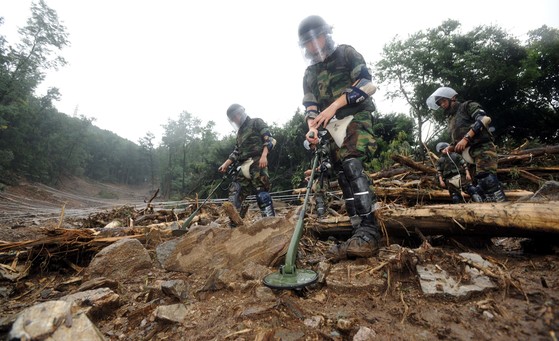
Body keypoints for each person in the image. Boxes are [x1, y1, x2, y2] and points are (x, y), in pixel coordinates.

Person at [298, 15, 381, 261]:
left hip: (356, 115)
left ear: (326, 34)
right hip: (330, 126)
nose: (313, 46)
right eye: (308, 44)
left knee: (352, 163)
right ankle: (357, 228)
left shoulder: (346, 53)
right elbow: (311, 106)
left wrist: (334, 105)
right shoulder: (310, 73)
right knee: (342, 173)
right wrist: (311, 127)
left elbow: (367, 84)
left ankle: (370, 230)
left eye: (316, 39)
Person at [426, 87, 507, 202]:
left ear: (452, 98)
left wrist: (466, 138)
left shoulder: (467, 106)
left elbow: (484, 119)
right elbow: (458, 141)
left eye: (443, 101)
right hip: (467, 155)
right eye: (440, 103)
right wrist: (450, 147)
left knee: (487, 180)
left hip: (482, 148)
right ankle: (489, 212)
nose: (442, 105)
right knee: (476, 186)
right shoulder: (451, 119)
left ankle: (504, 209)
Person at [218, 104, 277, 219]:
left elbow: (269, 139)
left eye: (235, 117)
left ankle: (269, 221)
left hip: (257, 161)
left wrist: (264, 156)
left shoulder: (256, 122)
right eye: (232, 119)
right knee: (235, 192)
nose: (235, 120)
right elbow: (237, 151)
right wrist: (226, 164)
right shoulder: (239, 133)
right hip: (243, 164)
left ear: (239, 114)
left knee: (261, 193)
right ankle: (236, 222)